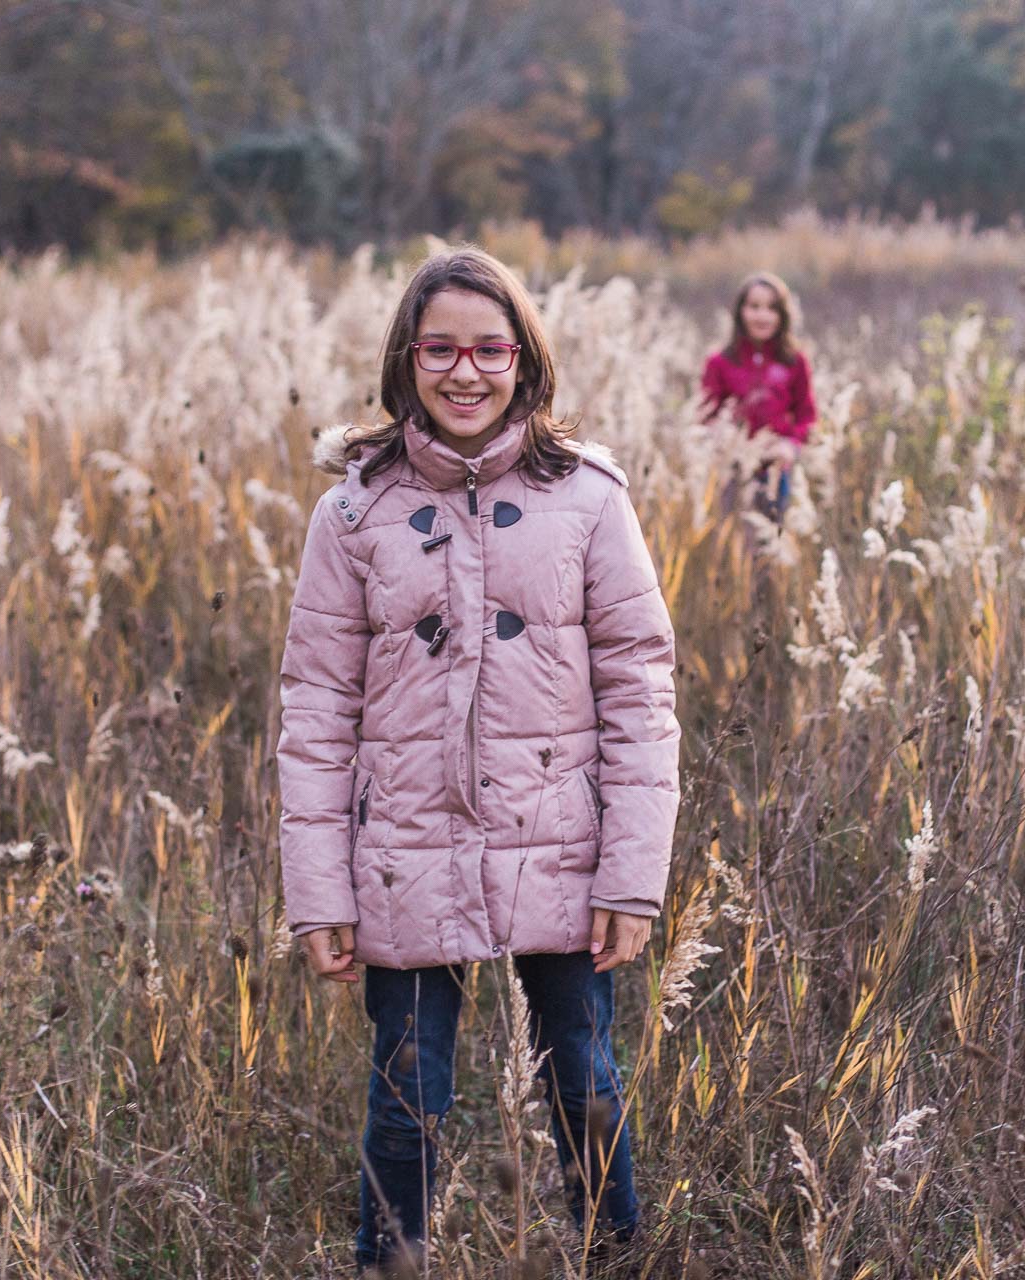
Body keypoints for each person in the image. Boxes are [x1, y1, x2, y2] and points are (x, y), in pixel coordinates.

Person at [276, 246, 681, 1271]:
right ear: (407, 359)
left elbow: (641, 687)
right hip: (410, 848)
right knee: (409, 1098)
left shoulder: (588, 497)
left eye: (489, 348)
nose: (466, 371)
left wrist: (632, 876)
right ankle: (392, 1264)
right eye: (442, 348)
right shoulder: (354, 511)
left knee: (584, 1080)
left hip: (562, 841)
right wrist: (318, 889)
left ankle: (616, 1255)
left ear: (524, 358)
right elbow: (315, 706)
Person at [699, 271, 817, 520]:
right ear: (741, 311)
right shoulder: (719, 362)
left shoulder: (794, 362)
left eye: (771, 308)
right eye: (754, 306)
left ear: (782, 315)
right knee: (732, 538)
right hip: (732, 468)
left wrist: (790, 445)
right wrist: (722, 439)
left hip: (775, 469)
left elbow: (807, 417)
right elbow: (707, 415)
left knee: (770, 538)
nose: (762, 315)